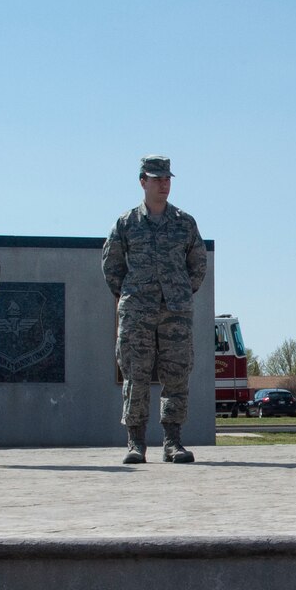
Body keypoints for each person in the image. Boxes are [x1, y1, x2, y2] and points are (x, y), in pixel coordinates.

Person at [103, 155, 208, 465]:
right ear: (142, 182)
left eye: (167, 178)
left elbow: (198, 264)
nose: (164, 183)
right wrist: (131, 296)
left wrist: (181, 293)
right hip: (137, 313)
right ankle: (135, 443)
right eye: (156, 178)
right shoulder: (126, 224)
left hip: (175, 313)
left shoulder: (184, 223)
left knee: (176, 376)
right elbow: (112, 267)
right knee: (135, 376)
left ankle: (173, 442)